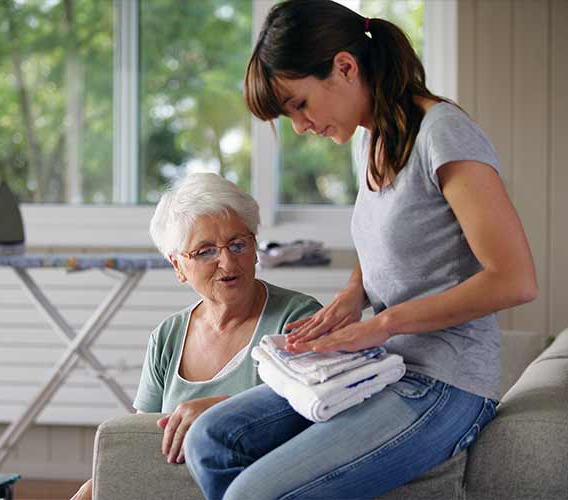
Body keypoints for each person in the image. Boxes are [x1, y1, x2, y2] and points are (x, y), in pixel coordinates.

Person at [183, 1, 538, 499]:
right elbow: (389, 240)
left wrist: (382, 323)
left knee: (253, 495)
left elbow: (515, 278)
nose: (301, 126)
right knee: (212, 440)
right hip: (382, 364)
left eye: (299, 104)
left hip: (445, 384)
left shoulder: (444, 133)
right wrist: (353, 297)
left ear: (345, 67)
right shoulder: (367, 140)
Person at [70, 172, 322, 500]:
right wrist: (98, 485)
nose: (228, 261)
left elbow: (317, 423)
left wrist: (223, 415)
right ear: (177, 266)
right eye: (205, 251)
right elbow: (143, 441)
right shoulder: (167, 337)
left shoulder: (298, 319)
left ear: (255, 248)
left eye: (238, 244)